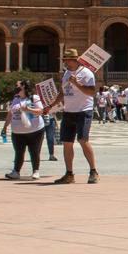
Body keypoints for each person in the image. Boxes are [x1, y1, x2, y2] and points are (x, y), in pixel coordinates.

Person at [51, 49, 99, 184]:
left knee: (83, 140)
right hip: (68, 111)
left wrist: (77, 83)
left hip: (83, 111)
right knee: (67, 142)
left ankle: (93, 171)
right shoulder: (66, 74)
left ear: (74, 60)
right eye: (64, 59)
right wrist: (51, 105)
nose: (64, 62)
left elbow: (91, 92)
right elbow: (63, 92)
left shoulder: (86, 73)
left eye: (66, 59)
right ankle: (69, 173)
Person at [2, 80, 46, 180]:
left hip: (35, 131)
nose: (15, 87)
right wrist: (5, 127)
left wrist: (28, 109)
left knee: (34, 151)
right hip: (17, 132)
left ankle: (36, 171)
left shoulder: (34, 98)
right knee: (19, 152)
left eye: (17, 85)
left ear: (23, 87)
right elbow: (10, 113)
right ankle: (16, 171)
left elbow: (40, 111)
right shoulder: (15, 99)